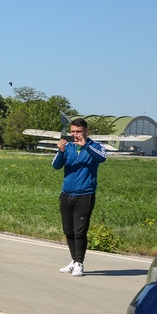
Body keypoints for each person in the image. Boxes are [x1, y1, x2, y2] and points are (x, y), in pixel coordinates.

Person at [53, 117, 107, 277]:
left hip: (85, 194)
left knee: (80, 231)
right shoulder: (68, 147)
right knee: (68, 230)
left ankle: (79, 263)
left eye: (79, 132)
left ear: (86, 131)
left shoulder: (95, 146)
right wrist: (61, 152)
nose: (76, 135)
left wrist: (86, 147)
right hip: (67, 194)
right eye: (73, 132)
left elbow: (102, 158)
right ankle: (73, 260)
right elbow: (55, 165)